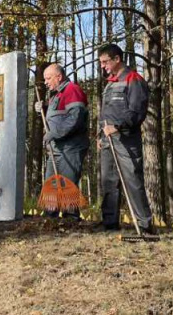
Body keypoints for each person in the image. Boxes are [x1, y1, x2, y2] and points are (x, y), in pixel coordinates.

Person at [97, 43, 154, 234]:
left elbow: (137, 112)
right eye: (101, 63)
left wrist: (118, 126)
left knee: (132, 181)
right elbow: (106, 113)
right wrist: (101, 134)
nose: (103, 66)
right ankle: (110, 223)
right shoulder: (110, 83)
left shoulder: (134, 80)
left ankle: (145, 225)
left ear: (117, 59)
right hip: (108, 140)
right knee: (108, 181)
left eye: (105, 62)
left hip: (126, 140)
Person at [35, 64, 89, 218]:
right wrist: (44, 108)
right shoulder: (55, 95)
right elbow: (58, 116)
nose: (45, 82)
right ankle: (49, 219)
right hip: (57, 148)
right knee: (51, 184)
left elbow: (75, 118)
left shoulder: (72, 90)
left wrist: (53, 134)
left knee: (67, 184)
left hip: (70, 147)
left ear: (59, 77)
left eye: (48, 78)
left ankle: (70, 221)